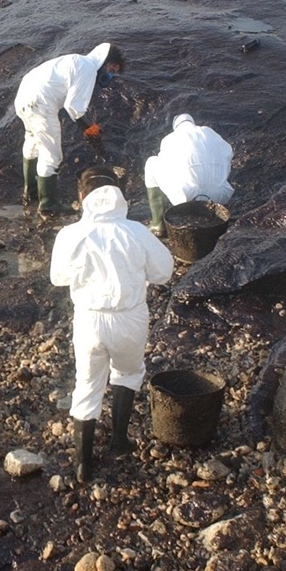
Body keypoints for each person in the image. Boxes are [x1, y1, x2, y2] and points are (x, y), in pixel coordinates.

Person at [50, 167, 174, 482]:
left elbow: (58, 278)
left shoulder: (69, 234)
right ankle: (119, 442)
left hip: (89, 319)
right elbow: (163, 272)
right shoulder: (136, 231)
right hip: (129, 316)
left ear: (82, 198)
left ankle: (82, 462)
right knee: (129, 373)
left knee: (87, 386)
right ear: (120, 196)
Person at [15, 43, 124, 216]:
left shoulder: (75, 60)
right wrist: (90, 130)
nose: (111, 75)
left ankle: (30, 194)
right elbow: (74, 108)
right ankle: (48, 205)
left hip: (23, 99)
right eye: (112, 69)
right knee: (52, 156)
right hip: (41, 104)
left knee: (32, 144)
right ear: (105, 62)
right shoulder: (88, 69)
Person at [143, 113, 234, 237]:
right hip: (220, 196)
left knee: (152, 163)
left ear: (176, 126)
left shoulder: (171, 138)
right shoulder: (211, 134)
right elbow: (228, 152)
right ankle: (214, 216)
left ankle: (158, 225)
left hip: (186, 198)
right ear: (193, 123)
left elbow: (165, 163)